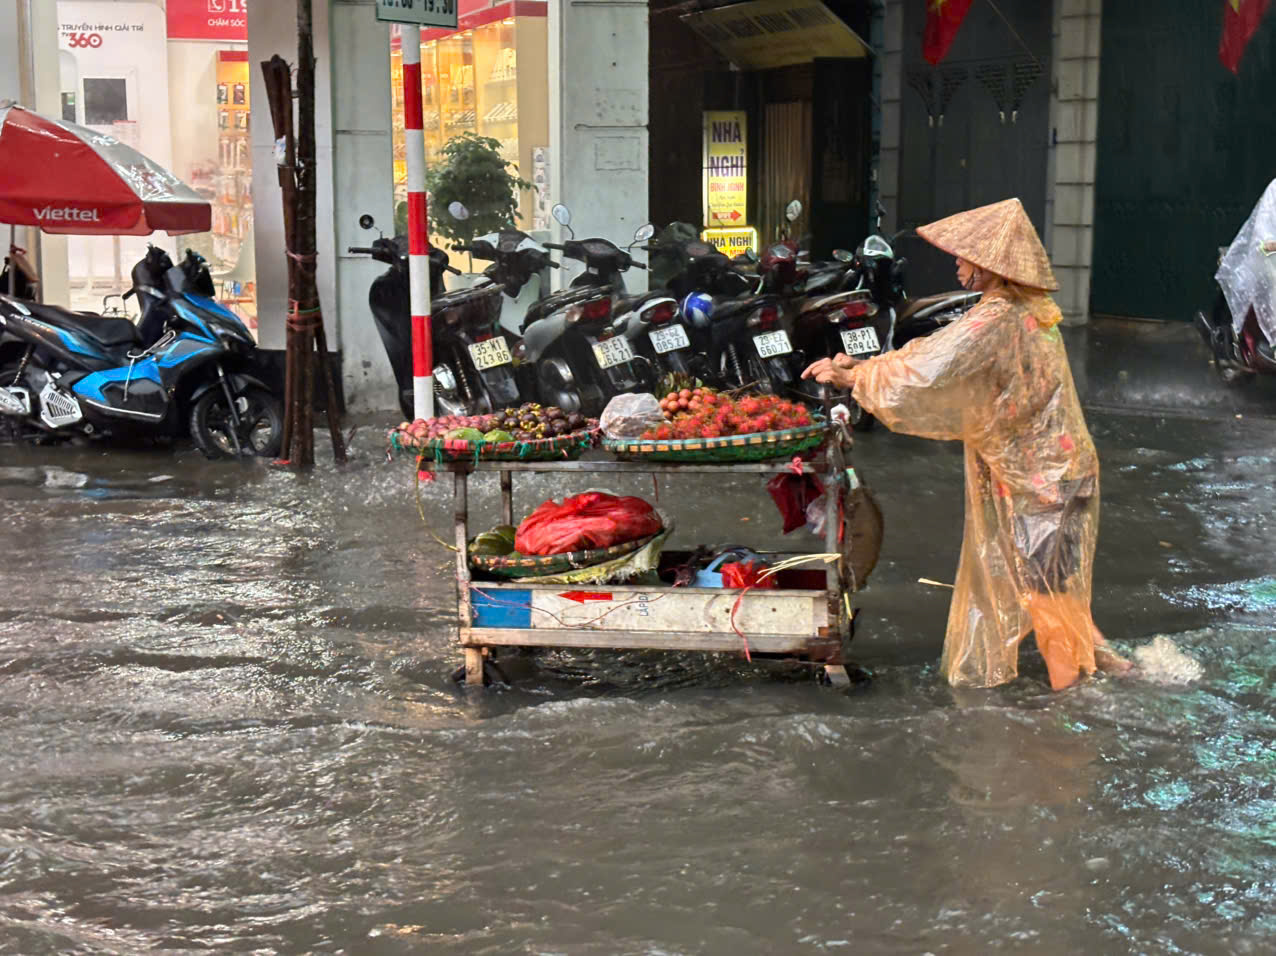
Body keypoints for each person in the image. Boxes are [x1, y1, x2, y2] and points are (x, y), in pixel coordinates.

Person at [804, 198, 1129, 690]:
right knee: (1053, 582)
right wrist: (861, 369)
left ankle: (1073, 704)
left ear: (990, 264)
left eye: (964, 256)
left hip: (1041, 477)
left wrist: (854, 379)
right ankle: (1109, 664)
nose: (956, 264)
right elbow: (929, 353)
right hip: (1056, 468)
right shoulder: (1025, 308)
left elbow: (928, 371)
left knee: (1045, 591)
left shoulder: (997, 317)